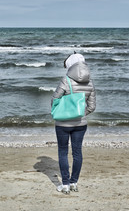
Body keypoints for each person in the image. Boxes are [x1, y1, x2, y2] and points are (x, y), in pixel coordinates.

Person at [51, 52, 96, 194]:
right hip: (80, 124)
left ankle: (64, 185)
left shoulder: (66, 80)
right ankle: (74, 183)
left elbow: (55, 100)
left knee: (63, 152)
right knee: (77, 152)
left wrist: (60, 113)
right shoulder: (90, 82)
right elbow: (92, 106)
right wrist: (81, 114)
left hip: (63, 124)